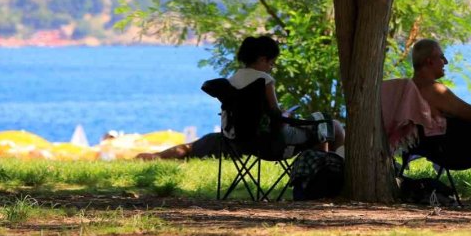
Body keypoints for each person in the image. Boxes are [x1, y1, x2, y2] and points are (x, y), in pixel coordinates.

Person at [137, 35, 344, 160]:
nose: (271, 67)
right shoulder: (264, 80)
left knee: (322, 127)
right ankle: (327, 172)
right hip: (273, 142)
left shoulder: (233, 80)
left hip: (239, 142)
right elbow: (275, 115)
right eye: (271, 62)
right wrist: (287, 113)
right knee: (331, 125)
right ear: (263, 59)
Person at [410, 38, 471, 202]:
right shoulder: (434, 90)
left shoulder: (408, 90)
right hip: (454, 151)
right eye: (442, 57)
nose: (446, 62)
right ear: (430, 61)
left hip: (426, 148)